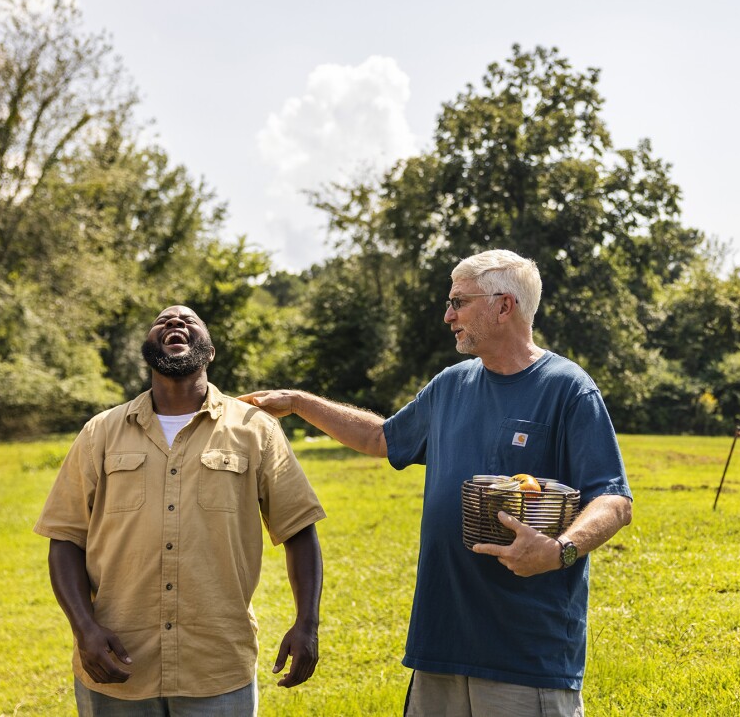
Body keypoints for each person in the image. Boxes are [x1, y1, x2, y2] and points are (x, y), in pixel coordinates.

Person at [240, 249, 632, 716]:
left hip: (527, 655)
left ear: (504, 306)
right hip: (440, 646)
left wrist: (560, 550)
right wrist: (298, 402)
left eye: (459, 302)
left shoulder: (568, 388)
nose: (448, 316)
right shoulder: (451, 385)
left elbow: (613, 499)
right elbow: (381, 437)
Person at [35, 305, 326, 716]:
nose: (175, 322)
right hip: (115, 662)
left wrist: (307, 623)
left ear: (210, 351)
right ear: (147, 350)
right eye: (163, 321)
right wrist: (84, 629)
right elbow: (65, 538)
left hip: (217, 666)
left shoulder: (255, 429)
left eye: (190, 321)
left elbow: (299, 530)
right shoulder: (100, 432)